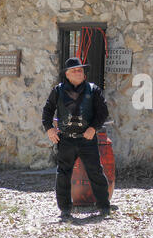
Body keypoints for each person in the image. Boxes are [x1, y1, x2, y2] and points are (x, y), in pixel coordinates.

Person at [42, 57, 111, 219]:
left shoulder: (93, 90)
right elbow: (47, 111)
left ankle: (104, 206)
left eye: (80, 70)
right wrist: (49, 129)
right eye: (74, 70)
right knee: (63, 174)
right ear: (67, 74)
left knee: (95, 172)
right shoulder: (57, 91)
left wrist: (93, 128)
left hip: (87, 140)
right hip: (65, 139)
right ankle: (65, 208)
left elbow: (103, 112)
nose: (79, 72)